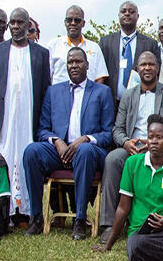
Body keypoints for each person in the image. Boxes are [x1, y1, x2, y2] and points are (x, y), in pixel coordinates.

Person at [22, 47, 114, 239]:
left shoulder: (102, 92)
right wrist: (57, 141)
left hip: (89, 151)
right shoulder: (53, 92)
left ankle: (79, 220)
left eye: (78, 61)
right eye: (70, 62)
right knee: (32, 151)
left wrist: (85, 138)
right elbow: (42, 129)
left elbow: (108, 133)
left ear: (87, 66)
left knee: (85, 151)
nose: (73, 65)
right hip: (60, 150)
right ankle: (36, 217)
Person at [94, 114, 163, 261]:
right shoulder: (132, 164)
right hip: (141, 233)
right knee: (136, 245)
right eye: (151, 137)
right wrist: (108, 245)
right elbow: (123, 208)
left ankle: (158, 259)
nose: (154, 141)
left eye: (159, 137)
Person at [0, 7, 51, 223]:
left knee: (25, 160)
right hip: (3, 120)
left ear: (28, 25)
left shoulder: (41, 53)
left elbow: (45, 90)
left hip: (29, 120)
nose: (16, 27)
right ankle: (2, 213)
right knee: (3, 160)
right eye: (12, 23)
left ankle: (27, 211)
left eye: (20, 23)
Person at [101, 51, 163, 242]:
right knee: (112, 159)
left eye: (151, 64)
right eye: (143, 65)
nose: (147, 68)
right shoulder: (128, 95)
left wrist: (156, 145)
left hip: (159, 150)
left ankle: (152, 219)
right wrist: (126, 143)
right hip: (132, 148)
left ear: (158, 67)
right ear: (137, 69)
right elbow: (117, 130)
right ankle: (109, 224)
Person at [98, 1, 160, 107]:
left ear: (137, 16)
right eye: (123, 11)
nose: (127, 14)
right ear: (119, 15)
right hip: (111, 103)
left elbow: (156, 74)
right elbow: (100, 74)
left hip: (140, 103)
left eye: (131, 11)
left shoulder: (151, 44)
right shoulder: (105, 42)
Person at [46, 5, 109, 86]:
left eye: (77, 20)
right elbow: (47, 77)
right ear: (65, 22)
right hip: (59, 97)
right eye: (69, 20)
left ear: (83, 23)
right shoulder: (53, 46)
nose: (73, 23)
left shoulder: (94, 48)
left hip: (88, 97)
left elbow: (100, 78)